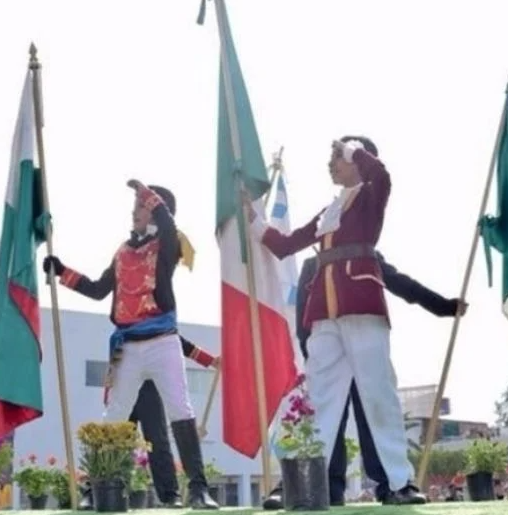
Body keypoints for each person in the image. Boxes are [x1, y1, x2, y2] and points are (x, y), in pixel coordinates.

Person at [245, 136, 424, 505]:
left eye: (337, 158)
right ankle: (299, 480)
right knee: (315, 399)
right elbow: (287, 244)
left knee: (378, 395)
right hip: (323, 313)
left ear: (356, 161)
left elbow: (384, 175)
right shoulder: (331, 209)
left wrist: (352, 148)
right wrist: (254, 222)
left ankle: (398, 482)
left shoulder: (372, 195)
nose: (331, 164)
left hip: (361, 304)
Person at [43, 182, 219, 510]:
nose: (133, 211)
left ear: (155, 210)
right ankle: (95, 489)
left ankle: (198, 489)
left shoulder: (169, 245)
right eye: (136, 205)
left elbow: (168, 224)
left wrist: (149, 195)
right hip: (128, 347)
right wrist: (62, 272)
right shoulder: (122, 251)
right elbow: (98, 289)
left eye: (140, 206)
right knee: (115, 416)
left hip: (163, 342)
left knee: (181, 409)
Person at [263, 253, 468, 509]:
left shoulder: (365, 252)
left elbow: (400, 283)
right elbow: (304, 315)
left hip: (364, 350)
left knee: (376, 416)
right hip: (328, 352)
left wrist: (443, 306)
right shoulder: (313, 265)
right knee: (322, 421)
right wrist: (310, 353)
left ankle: (393, 485)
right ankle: (317, 486)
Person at [76, 336, 220, 511]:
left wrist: (211, 360)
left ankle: (170, 494)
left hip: (150, 388)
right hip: (124, 384)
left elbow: (177, 343)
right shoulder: (125, 323)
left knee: (158, 441)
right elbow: (116, 351)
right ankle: (94, 492)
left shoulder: (158, 320)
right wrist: (108, 392)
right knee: (111, 441)